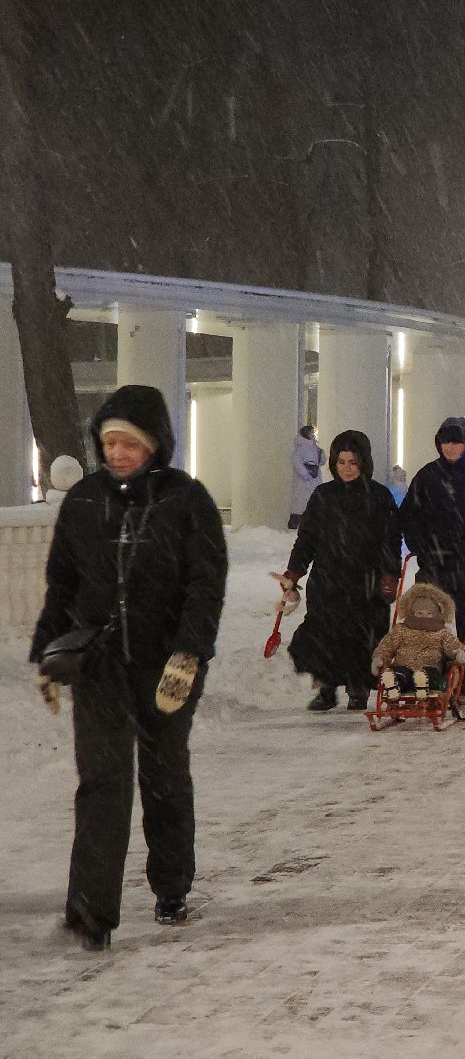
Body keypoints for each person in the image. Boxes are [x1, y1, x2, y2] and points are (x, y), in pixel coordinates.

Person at [31, 384, 227, 951]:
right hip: (99, 664)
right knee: (101, 782)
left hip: (166, 662)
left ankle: (170, 886)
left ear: (155, 445)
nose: (117, 453)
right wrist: (48, 652)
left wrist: (189, 653)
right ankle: (91, 912)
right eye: (109, 442)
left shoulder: (185, 501)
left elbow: (204, 585)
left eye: (130, 443)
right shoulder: (85, 500)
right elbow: (61, 586)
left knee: (163, 775)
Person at [276, 430, 400, 712]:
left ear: (363, 463)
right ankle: (326, 689)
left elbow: (391, 540)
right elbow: (307, 538)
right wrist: (294, 572)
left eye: (352, 462)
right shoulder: (323, 496)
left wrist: (389, 575)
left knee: (362, 636)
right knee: (325, 635)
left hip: (365, 582)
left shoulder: (379, 497)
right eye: (341, 461)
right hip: (328, 581)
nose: (346, 468)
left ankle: (359, 689)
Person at [399, 417, 465, 720]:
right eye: (446, 441)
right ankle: (431, 680)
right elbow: (410, 516)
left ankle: (464, 688)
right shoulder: (427, 477)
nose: (450, 447)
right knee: (426, 624)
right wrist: (423, 546)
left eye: (456, 441)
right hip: (434, 562)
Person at [371, 583, 465, 697]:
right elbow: (387, 645)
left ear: (437, 613)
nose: (424, 616)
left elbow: (452, 646)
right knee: (400, 672)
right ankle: (394, 684)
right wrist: (380, 658)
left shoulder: (442, 632)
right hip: (405, 669)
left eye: (429, 613)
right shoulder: (401, 629)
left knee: (430, 674)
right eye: (419, 613)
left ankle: (422, 684)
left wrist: (458, 652)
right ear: (412, 612)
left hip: (431, 669)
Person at [290, 426, 324, 530]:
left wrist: (321, 454)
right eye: (310, 432)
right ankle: (294, 527)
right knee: (300, 506)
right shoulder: (300, 447)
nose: (312, 434)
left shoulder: (314, 447)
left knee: (312, 506)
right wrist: (305, 473)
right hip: (303, 483)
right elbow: (296, 461)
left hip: (314, 481)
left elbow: (322, 461)